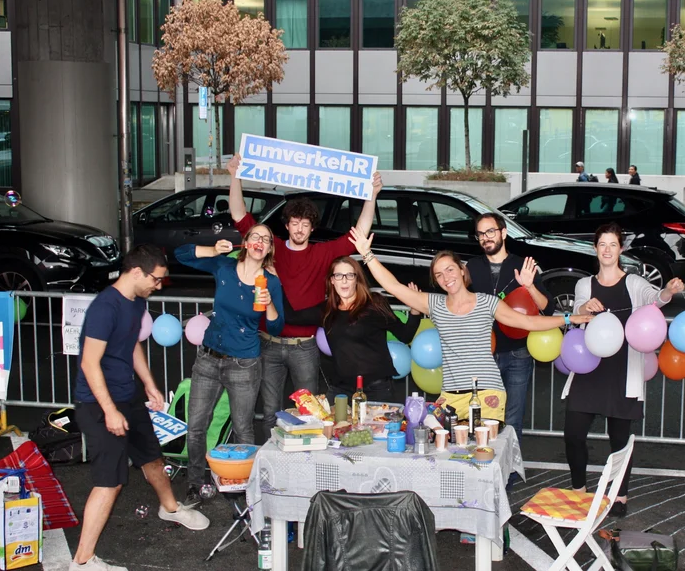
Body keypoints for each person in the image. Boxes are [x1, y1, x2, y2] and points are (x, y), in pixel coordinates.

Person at [348, 226, 593, 422]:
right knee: (446, 457)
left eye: (450, 270)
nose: (447, 277)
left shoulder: (486, 302)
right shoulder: (435, 304)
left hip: (488, 393)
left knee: (484, 457)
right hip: (451, 397)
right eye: (439, 275)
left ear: (462, 271)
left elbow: (527, 321)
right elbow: (394, 287)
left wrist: (570, 318)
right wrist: (367, 255)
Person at [71, 245, 208, 571]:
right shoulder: (105, 307)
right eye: (156, 279)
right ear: (136, 272)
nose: (159, 286)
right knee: (110, 481)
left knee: (152, 458)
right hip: (96, 402)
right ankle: (82, 560)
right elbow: (90, 364)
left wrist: (148, 383)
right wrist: (109, 411)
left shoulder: (137, 302)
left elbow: (131, 344)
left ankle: (170, 508)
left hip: (129, 396)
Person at [226, 153, 382, 439]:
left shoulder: (321, 253)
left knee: (310, 411)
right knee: (272, 410)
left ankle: (305, 467)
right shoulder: (271, 247)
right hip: (268, 343)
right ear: (286, 225)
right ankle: (272, 468)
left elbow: (360, 233)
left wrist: (371, 196)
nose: (299, 228)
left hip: (305, 347)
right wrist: (234, 177)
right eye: (294, 222)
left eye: (305, 224)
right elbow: (240, 216)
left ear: (312, 228)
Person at [569, 224, 684, 517]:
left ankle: (619, 494)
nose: (607, 250)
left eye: (612, 244)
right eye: (602, 244)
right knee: (573, 432)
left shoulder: (633, 282)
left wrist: (668, 291)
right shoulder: (585, 284)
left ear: (620, 249)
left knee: (619, 439)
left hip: (622, 368)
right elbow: (578, 312)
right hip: (590, 367)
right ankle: (579, 489)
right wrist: (586, 309)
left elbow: (654, 300)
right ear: (596, 249)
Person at [175, 224, 284, 506]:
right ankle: (196, 483)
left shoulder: (270, 281)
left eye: (266, 239)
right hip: (208, 358)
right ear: (245, 243)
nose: (260, 241)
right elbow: (181, 254)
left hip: (244, 363)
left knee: (243, 428)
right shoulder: (223, 266)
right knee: (196, 425)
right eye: (255, 236)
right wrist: (211, 249)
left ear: (269, 249)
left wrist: (269, 304)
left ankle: (242, 488)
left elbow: (276, 325)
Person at [466, 213, 555, 447]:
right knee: (483, 416)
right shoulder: (472, 267)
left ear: (503, 233)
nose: (486, 238)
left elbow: (548, 306)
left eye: (491, 232)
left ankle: (511, 473)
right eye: (481, 234)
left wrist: (529, 285)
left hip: (518, 353)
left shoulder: (522, 264)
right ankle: (484, 467)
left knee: (513, 418)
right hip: (484, 354)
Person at [283, 256, 423, 402]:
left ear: (357, 279)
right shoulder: (326, 310)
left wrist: (415, 310)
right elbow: (291, 317)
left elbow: (405, 335)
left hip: (376, 389)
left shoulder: (374, 304)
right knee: (331, 424)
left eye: (349, 275)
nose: (344, 280)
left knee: (376, 426)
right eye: (338, 275)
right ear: (332, 280)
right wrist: (276, 283)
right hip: (341, 390)